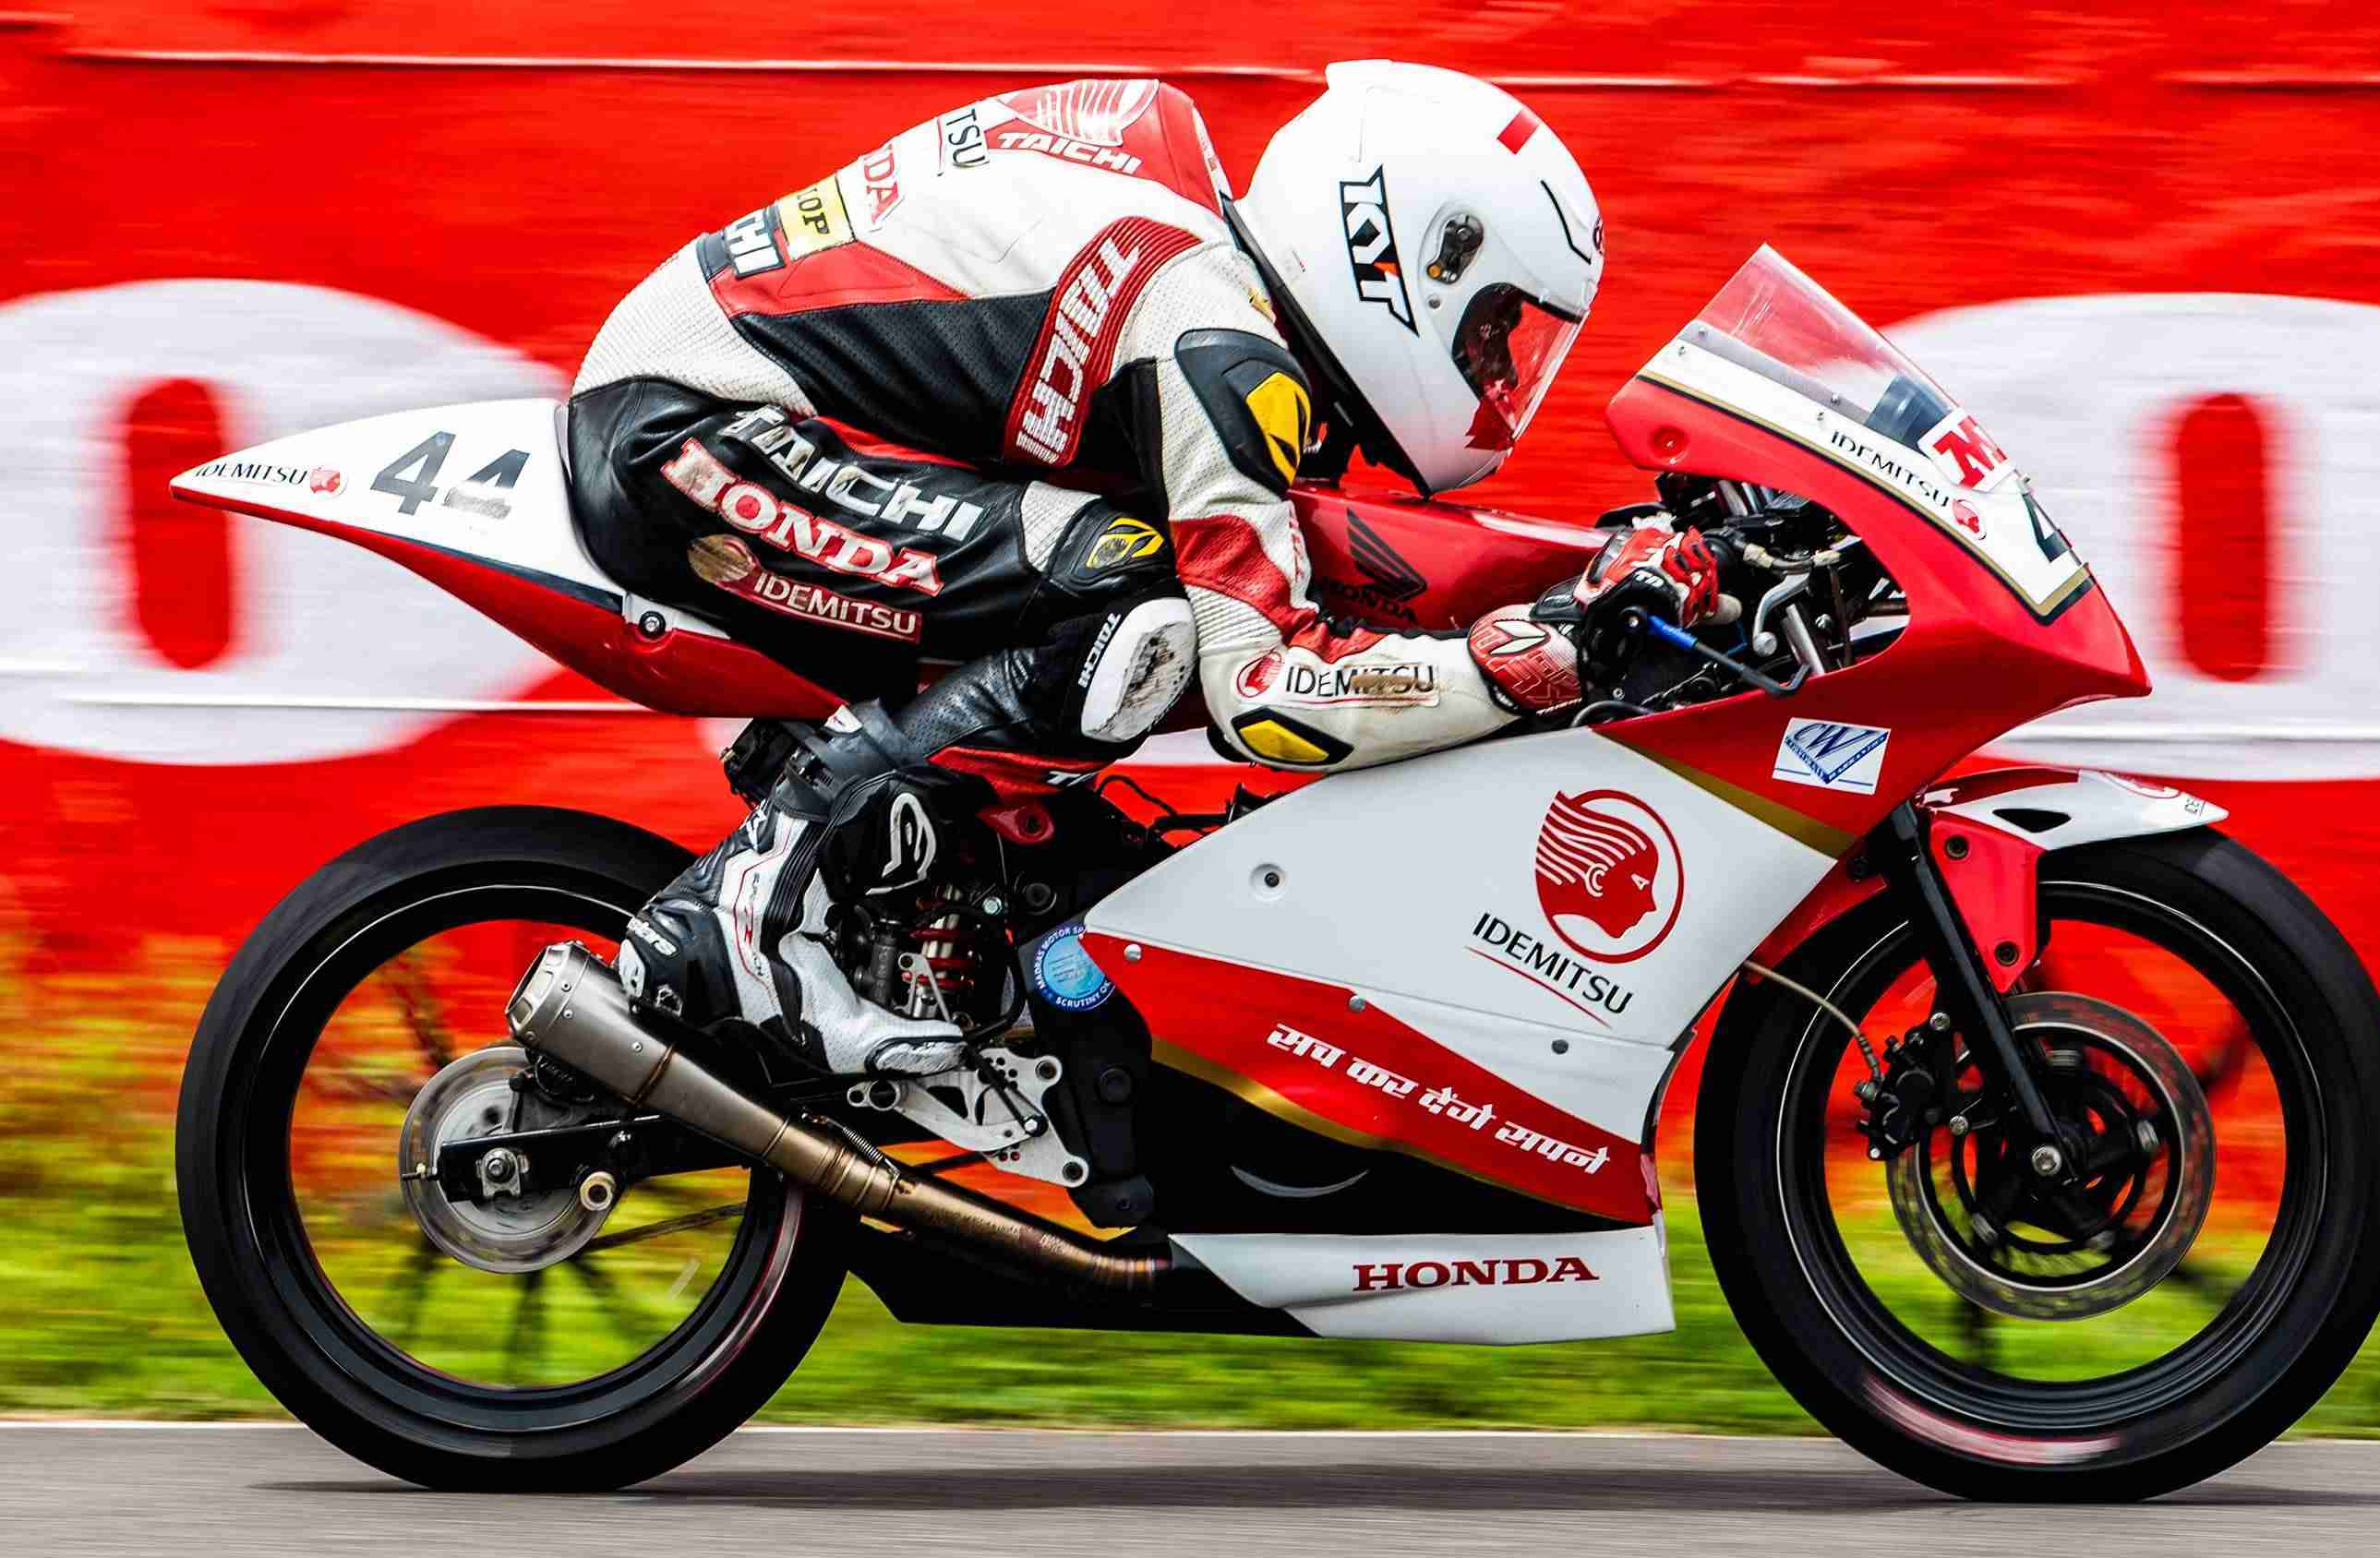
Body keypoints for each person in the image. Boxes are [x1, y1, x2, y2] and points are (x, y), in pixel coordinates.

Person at [564, 61, 1717, 1076]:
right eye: (1494, 331)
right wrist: (1533, 661)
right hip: (692, 434)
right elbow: (1263, 694)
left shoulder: (1192, 243)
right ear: (1407, 256)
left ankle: (941, 901)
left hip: (747, 408)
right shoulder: (1215, 335)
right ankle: (751, 907)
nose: (1497, 378)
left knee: (1123, 593)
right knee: (1137, 604)